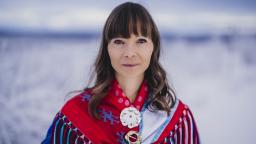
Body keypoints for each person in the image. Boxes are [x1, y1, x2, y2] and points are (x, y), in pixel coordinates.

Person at [42, 2, 200, 144]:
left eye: (141, 41)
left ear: (154, 47)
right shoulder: (74, 115)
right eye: (119, 42)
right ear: (107, 49)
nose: (130, 53)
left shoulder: (178, 119)